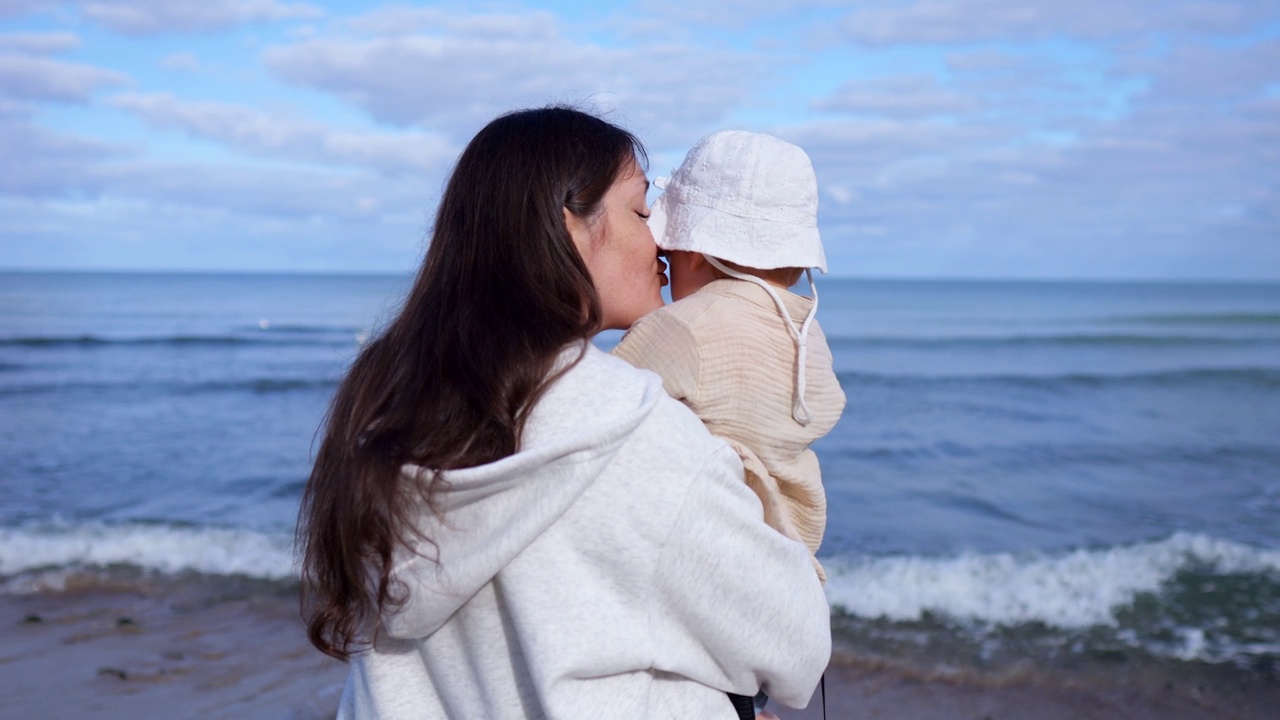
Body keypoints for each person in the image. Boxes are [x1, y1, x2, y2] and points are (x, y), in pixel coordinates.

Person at [296, 107, 830, 719]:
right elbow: (796, 648)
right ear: (568, 226)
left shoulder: (387, 405)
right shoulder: (632, 429)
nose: (663, 240)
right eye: (642, 212)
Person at [614, 130, 847, 588]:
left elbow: (595, 409)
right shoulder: (807, 334)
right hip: (789, 561)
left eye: (669, 248)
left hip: (704, 560)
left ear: (695, 254)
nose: (660, 259)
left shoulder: (683, 326)